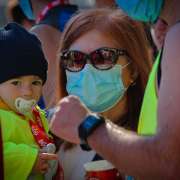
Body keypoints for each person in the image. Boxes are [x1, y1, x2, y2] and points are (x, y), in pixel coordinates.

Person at [50, 0, 180, 179]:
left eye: (103, 57)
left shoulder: (141, 148)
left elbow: (170, 163)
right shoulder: (48, 143)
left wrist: (89, 128)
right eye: (75, 58)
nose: (87, 70)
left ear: (133, 68)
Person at [0, 23, 59, 180]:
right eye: (15, 83)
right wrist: (28, 160)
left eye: (35, 83)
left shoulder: (37, 114)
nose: (27, 92)